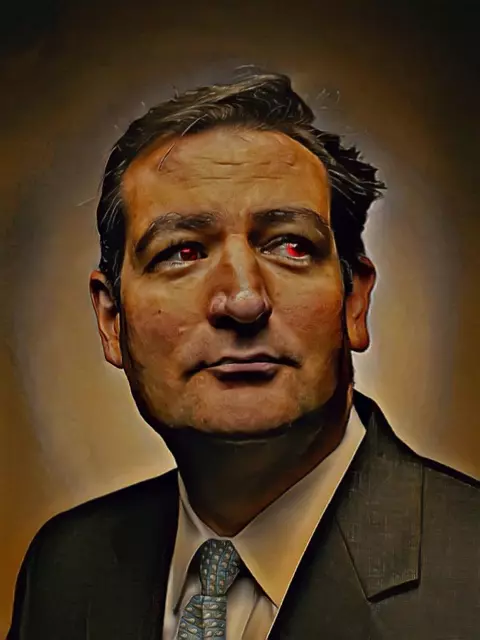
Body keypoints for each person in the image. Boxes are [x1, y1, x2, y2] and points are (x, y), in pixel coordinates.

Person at [7, 71, 480, 640]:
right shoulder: (65, 570)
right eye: (182, 251)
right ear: (112, 322)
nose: (243, 299)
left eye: (290, 246)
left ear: (354, 302)